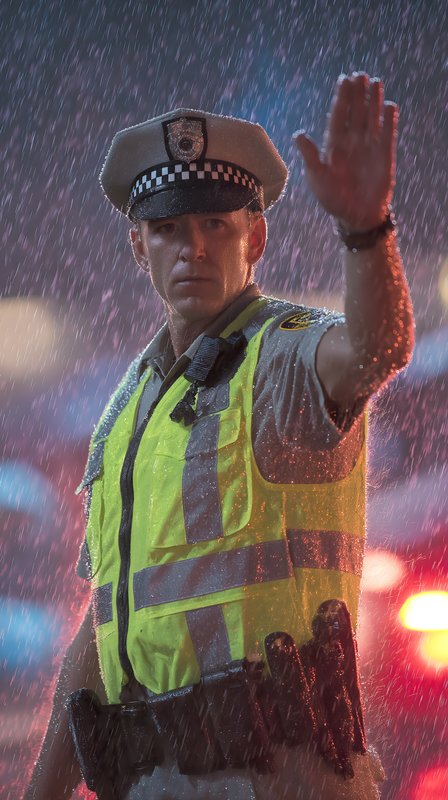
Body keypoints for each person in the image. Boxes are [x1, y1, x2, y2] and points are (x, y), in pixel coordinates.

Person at [24, 72, 414, 800]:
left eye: (215, 225)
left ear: (255, 236)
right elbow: (104, 619)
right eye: (169, 229)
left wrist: (366, 232)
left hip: (280, 777)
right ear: (139, 246)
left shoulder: (283, 355)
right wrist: (42, 789)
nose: (192, 249)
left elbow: (377, 349)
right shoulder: (126, 408)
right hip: (153, 779)